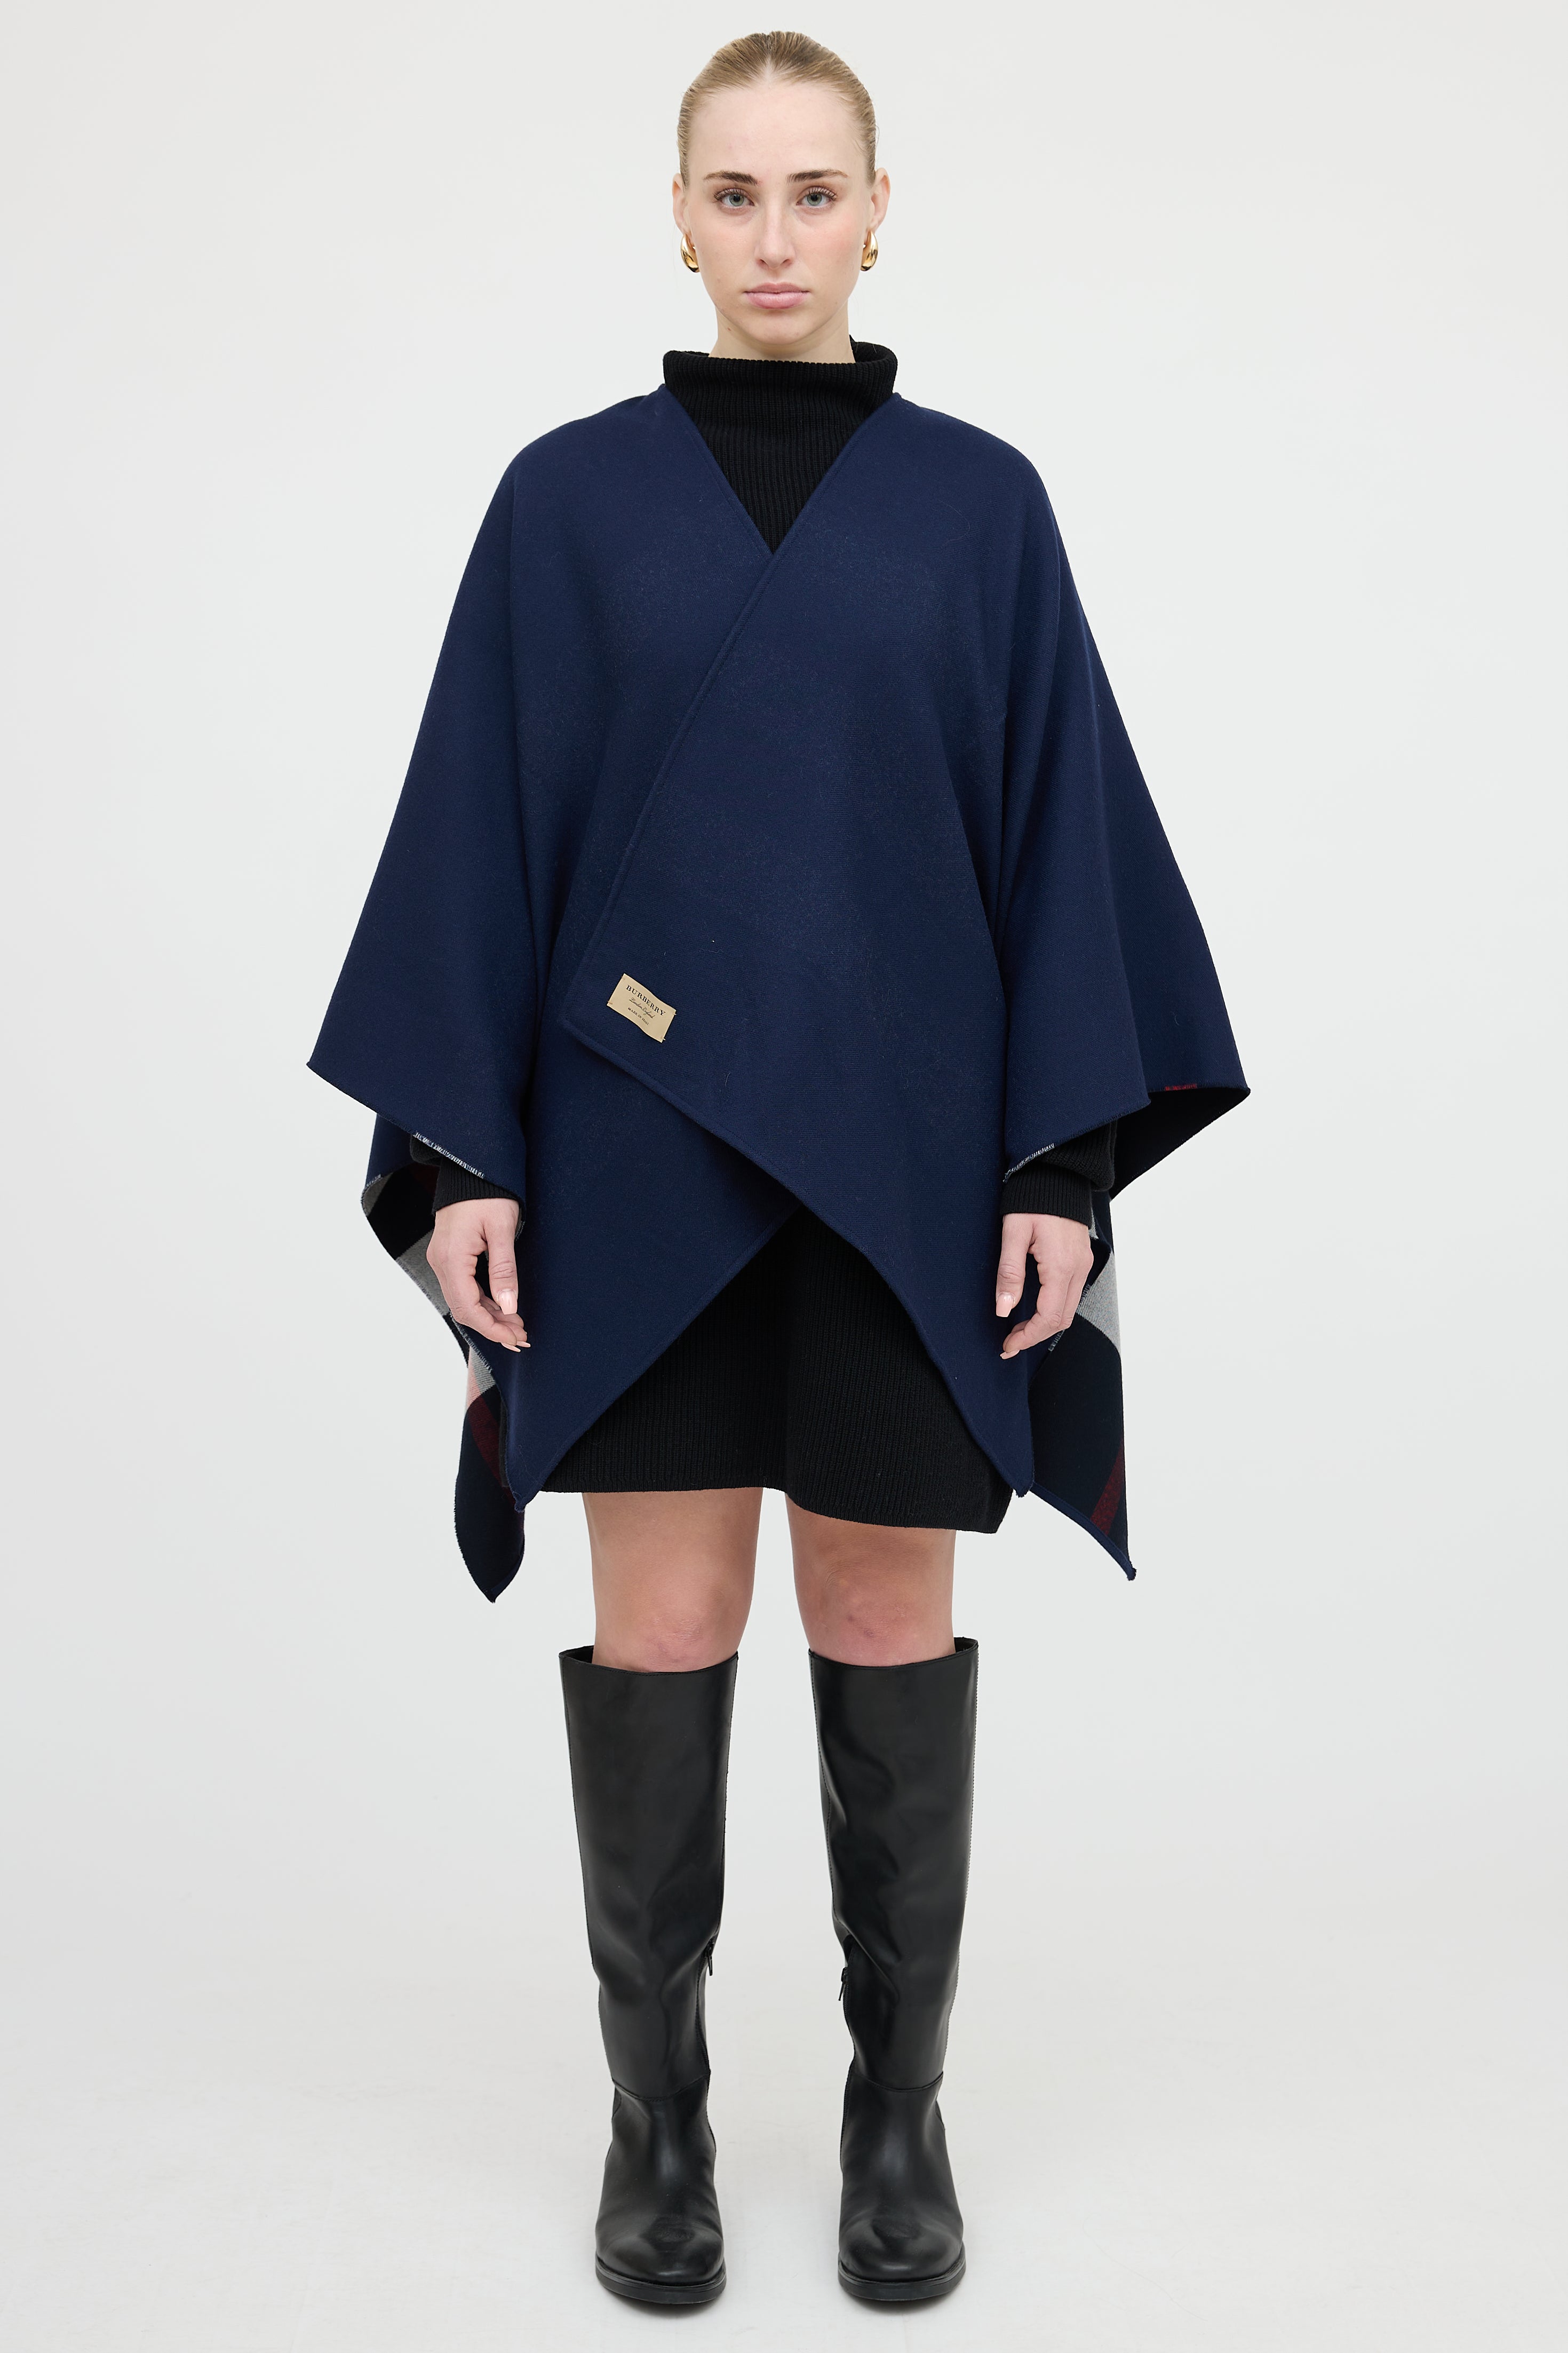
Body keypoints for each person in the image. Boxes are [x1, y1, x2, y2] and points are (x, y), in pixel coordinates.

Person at [310, 28, 1245, 2311]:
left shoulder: (979, 508)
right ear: (676, 214)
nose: (774, 237)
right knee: (664, 1626)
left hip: (908, 1170)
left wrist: (1056, 1163)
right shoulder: (564, 504)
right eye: (733, 194)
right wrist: (464, 1157)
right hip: (632, 1157)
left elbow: (1055, 843)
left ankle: (895, 2113)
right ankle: (659, 2126)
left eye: (814, 192)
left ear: (880, 210)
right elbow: (479, 835)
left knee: (881, 1619)